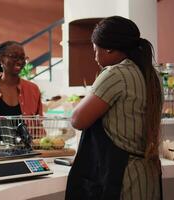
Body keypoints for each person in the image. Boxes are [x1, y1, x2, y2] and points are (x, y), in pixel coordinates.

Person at [65, 16, 162, 200]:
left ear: (108, 48)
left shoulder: (116, 73)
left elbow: (78, 120)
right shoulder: (151, 74)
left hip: (123, 178)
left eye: (95, 50)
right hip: (147, 175)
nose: (95, 57)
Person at [0, 41, 43, 141]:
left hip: (28, 153)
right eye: (14, 56)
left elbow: (38, 127)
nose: (20, 61)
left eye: (22, 57)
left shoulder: (33, 89)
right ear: (1, 59)